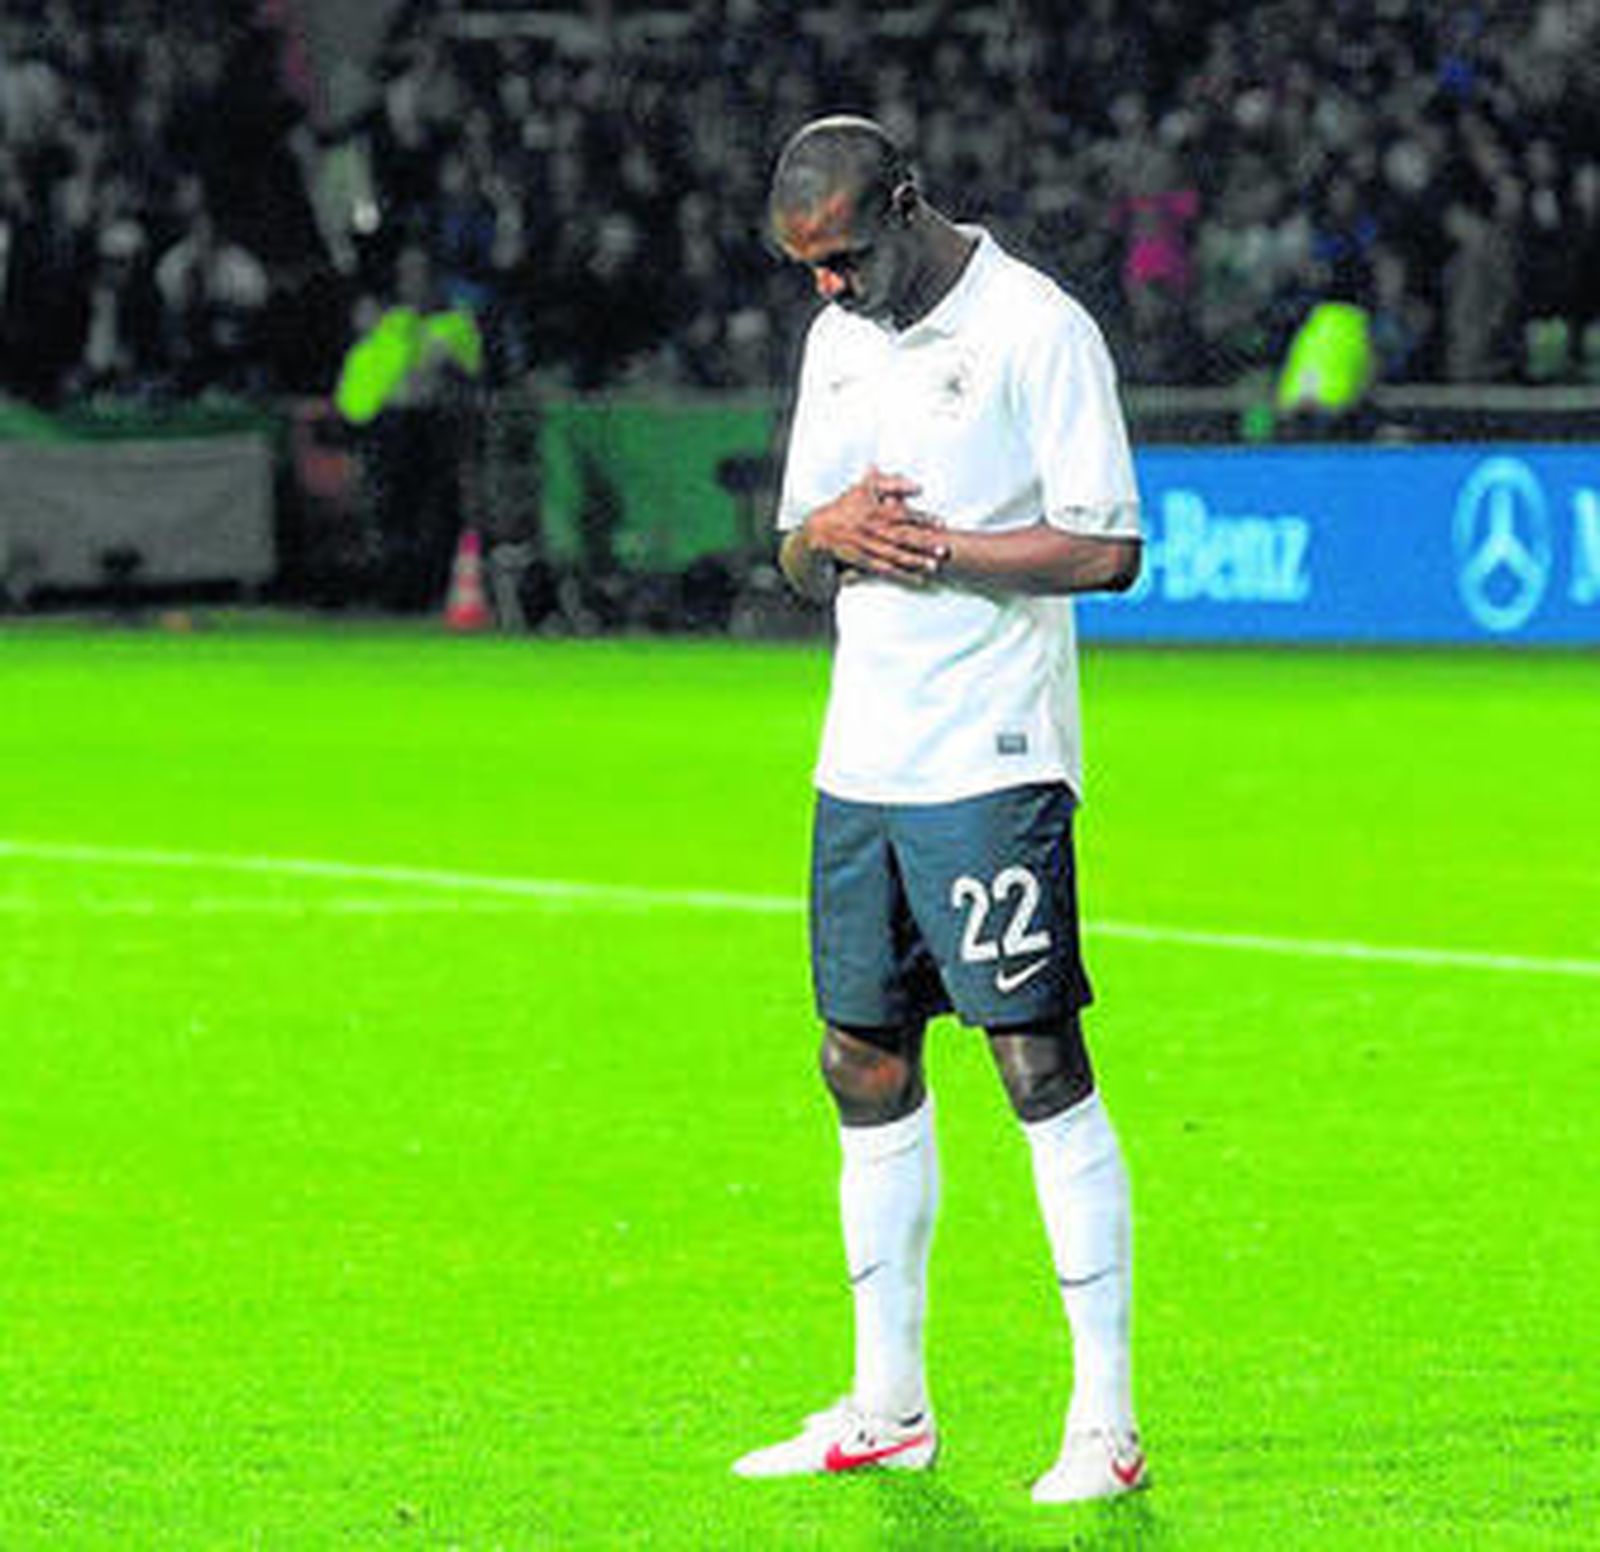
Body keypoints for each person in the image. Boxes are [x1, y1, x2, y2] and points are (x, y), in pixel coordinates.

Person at [732, 116, 1147, 1505]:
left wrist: (942, 549)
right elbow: (797, 556)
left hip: (995, 751)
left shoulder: (1037, 329)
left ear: (905, 206)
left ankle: (1104, 1421)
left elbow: (1110, 542)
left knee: (1034, 1065)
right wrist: (824, 539)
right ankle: (888, 1404)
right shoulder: (836, 341)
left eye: (844, 258)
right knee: (860, 1057)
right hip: (864, 759)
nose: (829, 289)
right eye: (807, 269)